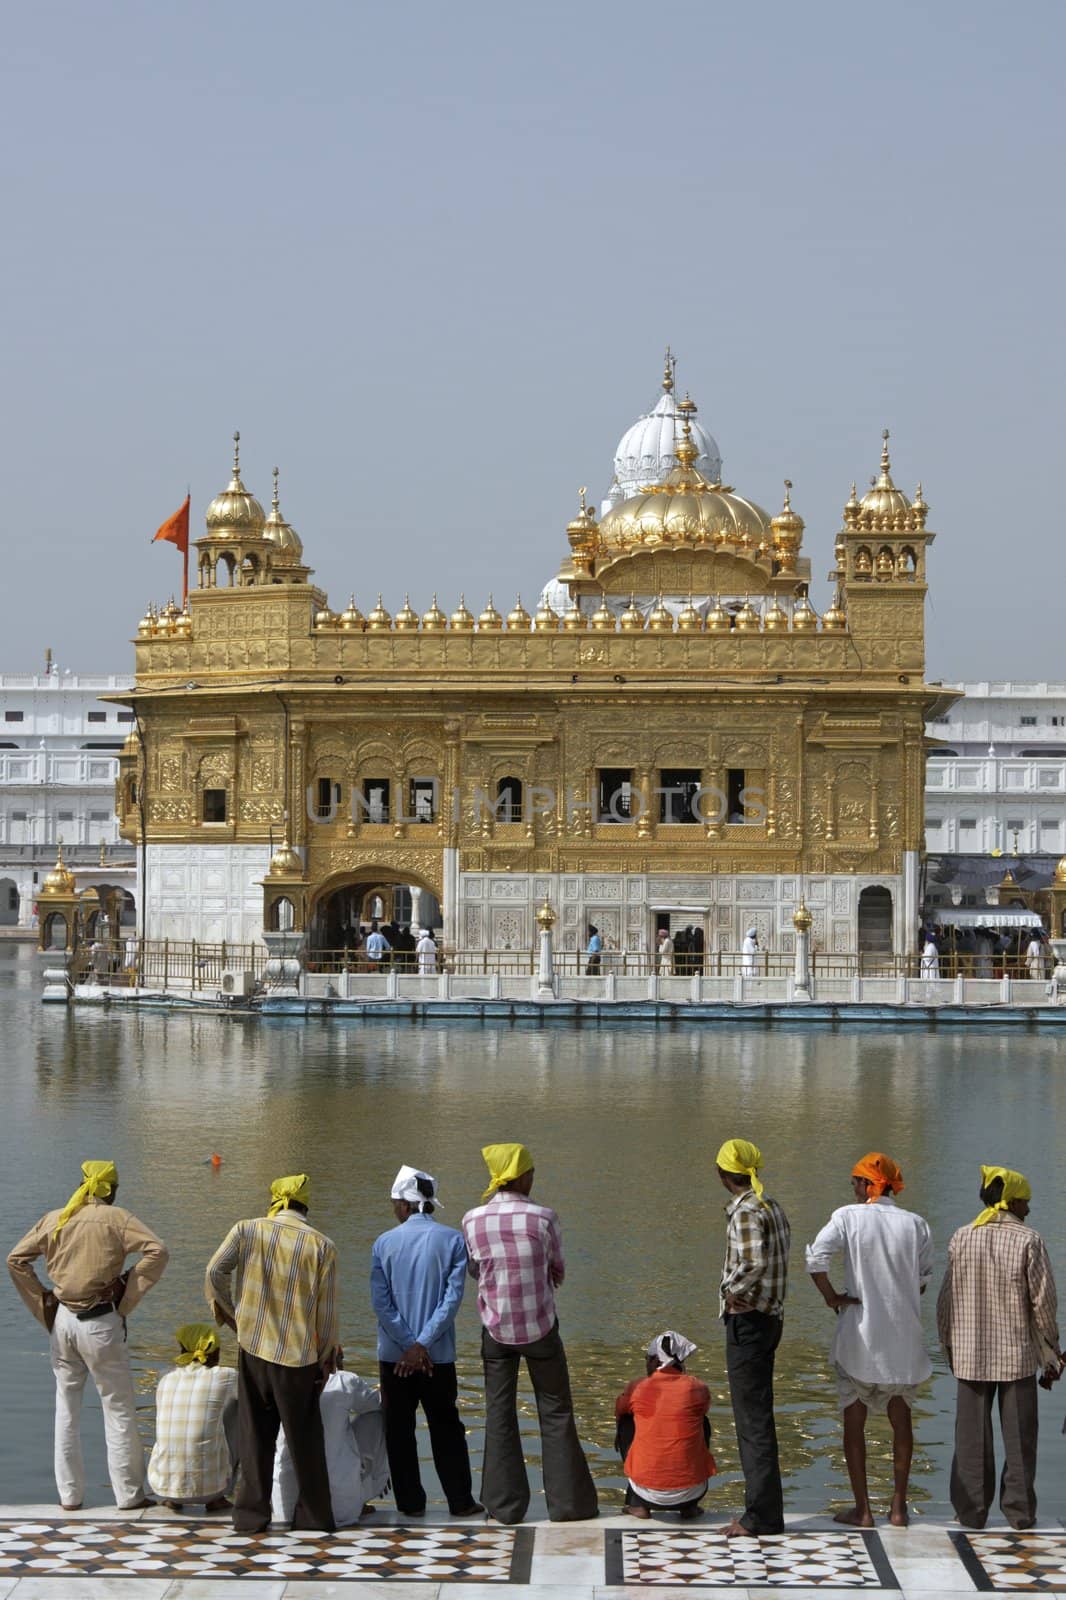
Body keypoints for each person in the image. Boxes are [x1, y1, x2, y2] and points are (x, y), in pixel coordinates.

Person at [7, 1158, 168, 1511]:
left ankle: (70, 1497)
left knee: (66, 1409)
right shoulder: (117, 1218)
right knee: (119, 1408)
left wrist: (43, 1304)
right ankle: (128, 1495)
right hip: (101, 1323)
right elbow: (158, 1251)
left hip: (63, 1321)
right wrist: (127, 1293)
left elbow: (16, 1259)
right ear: (111, 1189)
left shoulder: (55, 1217)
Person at [462, 1143, 598, 1525]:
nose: (533, 1176)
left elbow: (475, 1269)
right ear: (520, 1177)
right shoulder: (544, 1217)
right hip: (540, 1327)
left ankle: (504, 1508)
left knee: (499, 1413)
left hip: (496, 1330)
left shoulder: (472, 1220)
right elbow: (557, 1268)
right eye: (531, 1171)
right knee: (555, 1411)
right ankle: (569, 1506)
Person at [205, 1172, 339, 1533]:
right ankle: (313, 1518)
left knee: (255, 1437)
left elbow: (215, 1270)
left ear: (274, 1201)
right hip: (298, 1357)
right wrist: (325, 1356)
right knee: (305, 1441)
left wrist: (232, 1317)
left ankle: (250, 1517)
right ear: (306, 1206)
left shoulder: (246, 1230)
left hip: (253, 1351)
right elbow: (325, 1317)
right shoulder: (322, 1246)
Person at [806, 1153, 933, 1528]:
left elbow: (816, 1260)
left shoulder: (848, 1216)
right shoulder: (916, 1224)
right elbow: (923, 1279)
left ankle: (862, 1510)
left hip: (859, 1338)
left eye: (855, 1183)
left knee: (854, 1422)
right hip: (903, 1341)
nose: (854, 1190)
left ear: (866, 1185)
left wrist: (833, 1298)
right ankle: (898, 1508)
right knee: (902, 1419)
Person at [936, 1165, 1061, 1530]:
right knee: (1020, 1438)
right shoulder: (1029, 1241)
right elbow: (1044, 1304)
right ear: (1014, 1201)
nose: (1029, 1209)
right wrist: (1052, 1352)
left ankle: (972, 1513)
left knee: (971, 1439)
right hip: (1017, 1356)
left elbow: (946, 1299)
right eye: (1026, 1202)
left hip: (970, 1354)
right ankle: (1020, 1514)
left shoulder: (962, 1237)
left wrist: (948, 1344)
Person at [370, 1165, 480, 1517]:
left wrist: (408, 1345)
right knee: (447, 1427)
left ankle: (410, 1504)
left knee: (399, 1430)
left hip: (395, 1357)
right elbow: (452, 1300)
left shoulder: (384, 1243)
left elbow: (381, 1304)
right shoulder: (452, 1241)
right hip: (438, 1356)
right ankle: (460, 1501)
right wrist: (424, 1344)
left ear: (405, 1204)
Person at [716, 1137, 791, 1537]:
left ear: (723, 1174)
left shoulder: (746, 1211)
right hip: (770, 1317)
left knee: (752, 1421)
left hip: (749, 1322)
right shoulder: (770, 1205)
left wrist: (731, 1293)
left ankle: (760, 1515)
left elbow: (754, 1262)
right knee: (759, 1415)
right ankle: (766, 1510)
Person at [272, 1352, 388, 1526]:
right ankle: (365, 1491)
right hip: (341, 1508)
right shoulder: (343, 1381)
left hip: (284, 1508)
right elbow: (380, 1404)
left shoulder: (281, 1380)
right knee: (377, 1418)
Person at [614, 1330, 716, 1519]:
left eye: (647, 1358)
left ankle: (637, 1504)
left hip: (646, 1492)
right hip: (692, 1491)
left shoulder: (638, 1386)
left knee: (627, 1421)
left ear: (655, 1361)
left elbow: (618, 1410)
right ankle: (689, 1507)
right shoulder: (697, 1387)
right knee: (701, 1422)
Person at [147, 1323, 238, 1512]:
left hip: (162, 1488)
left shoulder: (165, 1378)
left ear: (182, 1348)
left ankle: (175, 1499)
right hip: (211, 1490)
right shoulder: (226, 1376)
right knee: (237, 1411)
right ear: (216, 1351)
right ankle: (219, 1497)